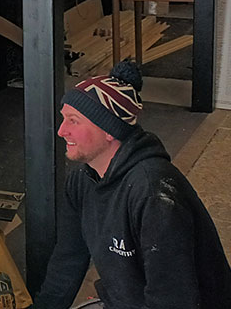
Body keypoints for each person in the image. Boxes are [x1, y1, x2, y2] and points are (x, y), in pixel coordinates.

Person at [32, 60, 231, 309]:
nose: (61, 131)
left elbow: (173, 299)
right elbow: (67, 262)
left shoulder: (154, 195)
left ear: (109, 130)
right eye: (64, 118)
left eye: (74, 121)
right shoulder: (82, 180)